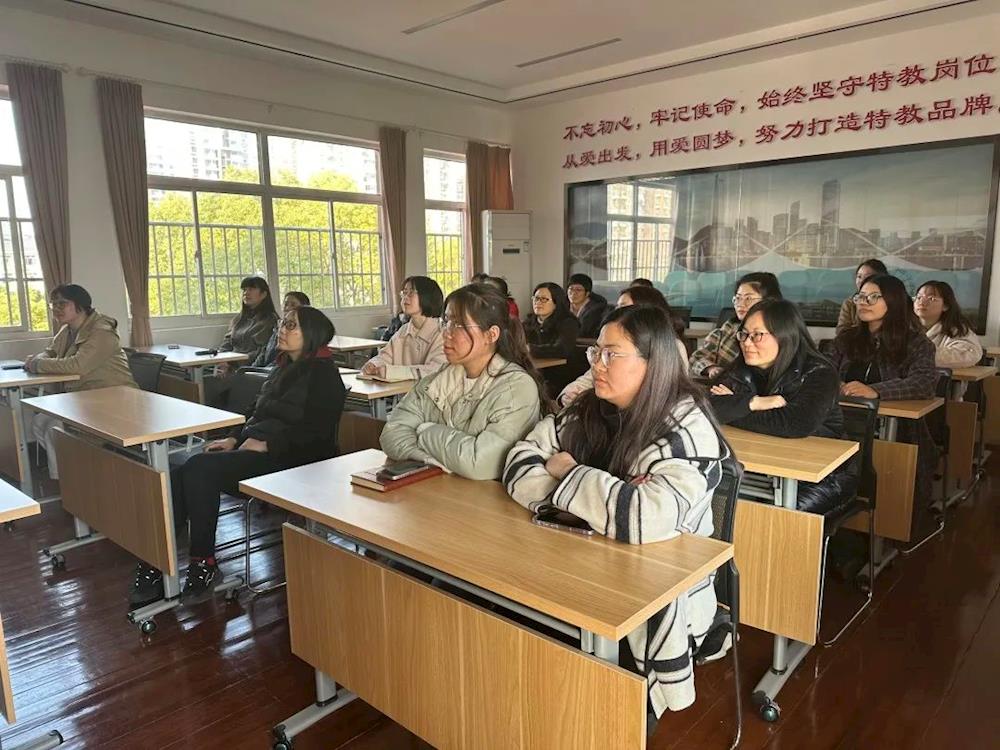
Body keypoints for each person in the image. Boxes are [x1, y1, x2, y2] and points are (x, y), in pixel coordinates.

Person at [503, 305, 727, 719]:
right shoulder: (588, 407)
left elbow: (644, 519)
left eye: (611, 354)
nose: (597, 364)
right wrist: (592, 502)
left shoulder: (687, 428)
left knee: (590, 689)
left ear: (652, 363)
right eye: (596, 352)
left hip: (658, 593)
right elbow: (519, 462)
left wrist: (568, 473)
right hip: (581, 560)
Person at [130, 306, 346, 607]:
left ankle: (204, 562)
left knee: (199, 470)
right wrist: (234, 438)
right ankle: (157, 560)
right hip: (260, 451)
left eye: (291, 325)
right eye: (283, 323)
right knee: (180, 472)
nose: (282, 329)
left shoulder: (325, 377)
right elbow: (255, 412)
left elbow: (317, 436)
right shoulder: (283, 367)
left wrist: (268, 445)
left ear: (312, 334)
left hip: (294, 462)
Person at [380, 283, 549, 481]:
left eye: (458, 325)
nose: (446, 332)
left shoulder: (516, 388)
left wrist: (424, 431)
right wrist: (432, 460)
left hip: (486, 497)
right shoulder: (438, 380)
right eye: (446, 322)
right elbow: (391, 435)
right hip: (442, 487)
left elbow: (480, 464)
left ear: (491, 335)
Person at [709, 299, 858, 514]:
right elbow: (707, 407)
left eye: (757, 335)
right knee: (717, 498)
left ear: (785, 336)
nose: (747, 342)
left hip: (822, 476)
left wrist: (735, 407)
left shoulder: (819, 372)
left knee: (764, 512)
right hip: (761, 469)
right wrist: (755, 402)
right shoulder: (740, 369)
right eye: (744, 334)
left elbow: (795, 423)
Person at [830, 273, 937, 499]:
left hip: (895, 430)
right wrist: (836, 383)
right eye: (860, 297)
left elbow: (924, 382)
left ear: (893, 300)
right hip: (842, 423)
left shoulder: (916, 343)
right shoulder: (846, 338)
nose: (863, 302)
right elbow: (822, 371)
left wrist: (876, 391)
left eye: (873, 297)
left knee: (885, 482)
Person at [25, 284, 137, 479]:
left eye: (62, 303)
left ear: (80, 305)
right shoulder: (67, 330)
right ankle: (72, 474)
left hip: (112, 401)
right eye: (53, 304)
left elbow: (78, 365)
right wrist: (38, 359)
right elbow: (50, 352)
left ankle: (70, 480)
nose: (56, 309)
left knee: (54, 428)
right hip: (84, 400)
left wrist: (37, 364)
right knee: (39, 421)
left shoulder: (102, 331)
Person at [558, 285, 688, 407]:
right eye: (617, 307)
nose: (618, 312)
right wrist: (569, 394)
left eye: (624, 307)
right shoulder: (607, 351)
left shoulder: (670, 346)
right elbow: (588, 378)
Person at [689, 272, 782, 378]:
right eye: (738, 298)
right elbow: (695, 359)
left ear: (768, 301)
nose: (740, 304)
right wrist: (711, 368)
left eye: (748, 299)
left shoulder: (779, 334)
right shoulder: (727, 330)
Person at [206, 276, 280, 406]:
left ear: (263, 294)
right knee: (203, 378)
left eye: (251, 289)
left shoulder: (269, 320)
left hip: (246, 368)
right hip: (229, 365)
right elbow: (226, 343)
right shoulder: (239, 319)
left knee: (211, 386)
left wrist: (231, 363)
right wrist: (221, 361)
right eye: (244, 289)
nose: (246, 293)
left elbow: (261, 352)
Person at [361, 276, 446, 380]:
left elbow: (435, 370)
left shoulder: (442, 333)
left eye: (411, 293)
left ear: (427, 297)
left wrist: (392, 372)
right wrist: (373, 364)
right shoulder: (404, 330)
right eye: (404, 293)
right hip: (403, 390)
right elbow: (386, 356)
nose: (405, 297)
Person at [523, 282, 582, 396]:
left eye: (544, 299)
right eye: (536, 298)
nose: (538, 303)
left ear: (556, 302)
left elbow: (562, 349)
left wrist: (530, 349)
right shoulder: (529, 322)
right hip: (534, 372)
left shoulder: (568, 323)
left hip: (559, 376)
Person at [913, 280, 983, 369]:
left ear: (945, 306)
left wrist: (917, 354)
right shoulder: (906, 326)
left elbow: (969, 354)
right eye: (919, 297)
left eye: (931, 299)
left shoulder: (957, 330)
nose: (922, 302)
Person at [251, 291, 310, 368]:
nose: (287, 308)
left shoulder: (302, 331)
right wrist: (252, 369)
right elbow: (264, 353)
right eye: (285, 304)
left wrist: (263, 372)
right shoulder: (278, 327)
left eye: (293, 305)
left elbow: (282, 360)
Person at [837, 258, 887, 335]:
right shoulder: (850, 302)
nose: (861, 281)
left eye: (867, 277)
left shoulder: (890, 300)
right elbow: (841, 331)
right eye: (859, 276)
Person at [566, 273, 609, 338]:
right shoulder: (562, 305)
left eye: (578, 290)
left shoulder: (597, 310)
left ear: (587, 293)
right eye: (571, 289)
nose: (574, 293)